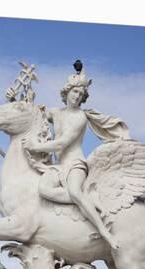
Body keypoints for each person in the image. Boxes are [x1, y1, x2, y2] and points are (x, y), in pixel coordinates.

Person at [21, 61, 129, 250]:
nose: (77, 96)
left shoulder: (80, 117)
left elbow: (62, 143)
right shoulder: (55, 112)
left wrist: (35, 146)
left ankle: (105, 232)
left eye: (80, 94)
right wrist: (19, 97)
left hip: (75, 164)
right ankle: (91, 199)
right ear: (67, 92)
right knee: (43, 190)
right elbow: (33, 114)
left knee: (75, 192)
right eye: (74, 92)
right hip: (59, 166)